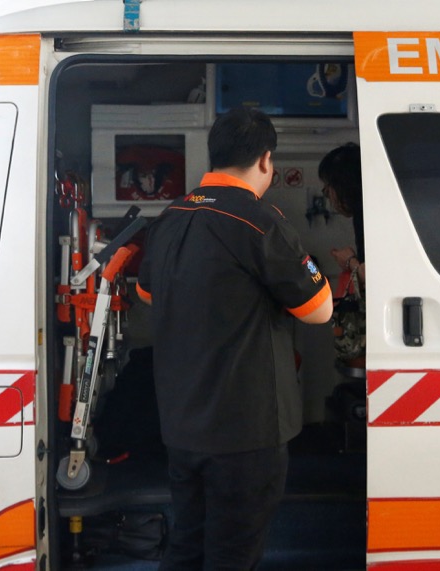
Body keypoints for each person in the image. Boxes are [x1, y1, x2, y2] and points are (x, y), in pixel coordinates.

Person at [136, 106, 332, 570]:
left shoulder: (169, 217)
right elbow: (319, 310)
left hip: (183, 426)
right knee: (232, 554)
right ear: (266, 160)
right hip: (246, 431)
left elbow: (148, 295)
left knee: (187, 544)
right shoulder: (259, 221)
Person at [319, 143, 365, 284]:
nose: (329, 196)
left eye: (328, 189)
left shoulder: (365, 217)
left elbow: (376, 280)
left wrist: (349, 261)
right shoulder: (364, 211)